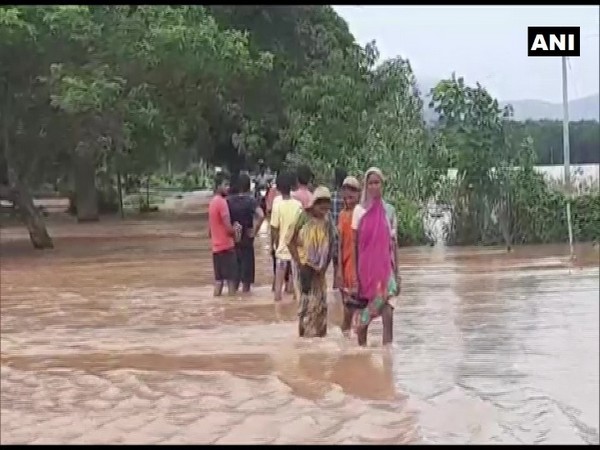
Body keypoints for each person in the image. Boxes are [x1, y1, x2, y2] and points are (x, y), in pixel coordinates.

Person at [350, 167, 400, 346]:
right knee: (366, 318)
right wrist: (354, 277)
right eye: (370, 183)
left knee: (388, 314)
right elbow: (355, 246)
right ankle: (361, 350)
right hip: (367, 271)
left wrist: (398, 273)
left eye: (377, 182)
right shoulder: (358, 211)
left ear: (382, 185)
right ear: (366, 186)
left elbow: (393, 244)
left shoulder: (390, 211)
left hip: (386, 271)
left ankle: (388, 358)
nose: (374, 187)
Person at [287, 186, 336, 338]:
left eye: (327, 202)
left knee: (321, 306)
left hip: (320, 270)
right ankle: (304, 340)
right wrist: (299, 262)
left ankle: (320, 338)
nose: (324, 206)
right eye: (320, 202)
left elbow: (332, 243)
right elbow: (289, 241)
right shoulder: (303, 217)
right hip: (304, 269)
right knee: (306, 305)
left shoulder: (328, 221)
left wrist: (326, 267)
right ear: (313, 203)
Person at [227, 173, 264, 293]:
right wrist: (255, 230)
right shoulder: (251, 201)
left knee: (234, 278)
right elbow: (261, 215)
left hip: (233, 240)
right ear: (249, 186)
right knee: (246, 281)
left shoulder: (229, 201)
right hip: (247, 241)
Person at [334, 176, 362, 336]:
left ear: (359, 194)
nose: (348, 193)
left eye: (352, 190)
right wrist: (338, 270)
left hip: (359, 269)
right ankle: (346, 344)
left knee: (359, 312)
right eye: (346, 189)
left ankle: (357, 345)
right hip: (346, 268)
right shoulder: (343, 215)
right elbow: (340, 243)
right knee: (347, 313)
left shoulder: (361, 214)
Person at [270, 172, 302, 302]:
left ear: (278, 187)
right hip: (295, 251)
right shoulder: (298, 205)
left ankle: (278, 309)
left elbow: (274, 228)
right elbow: (301, 228)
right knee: (296, 287)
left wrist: (275, 245)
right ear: (293, 186)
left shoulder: (277, 205)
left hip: (282, 250)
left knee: (278, 288)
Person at [208, 172, 237, 297]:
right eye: (225, 185)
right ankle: (233, 309)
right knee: (231, 281)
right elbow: (228, 228)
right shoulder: (222, 203)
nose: (228, 188)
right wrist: (236, 229)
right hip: (226, 247)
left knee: (218, 282)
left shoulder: (212, 202)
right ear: (218, 186)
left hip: (216, 248)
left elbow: (209, 231)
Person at [330, 167, 347, 288]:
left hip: (333, 239)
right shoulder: (349, 198)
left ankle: (336, 296)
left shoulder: (331, 198)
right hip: (347, 239)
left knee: (336, 269)